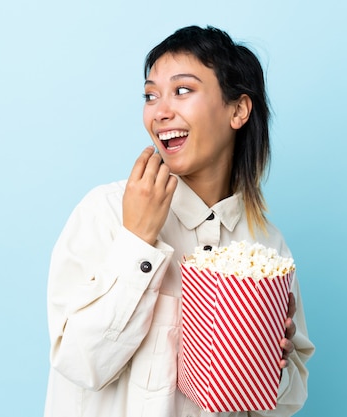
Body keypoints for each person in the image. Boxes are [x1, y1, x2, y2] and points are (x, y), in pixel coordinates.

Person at [43, 25, 314, 417]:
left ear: (238, 110)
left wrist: (273, 362)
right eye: (150, 95)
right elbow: (79, 363)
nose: (160, 111)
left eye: (182, 90)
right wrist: (138, 241)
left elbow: (290, 397)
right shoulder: (104, 211)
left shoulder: (266, 247)